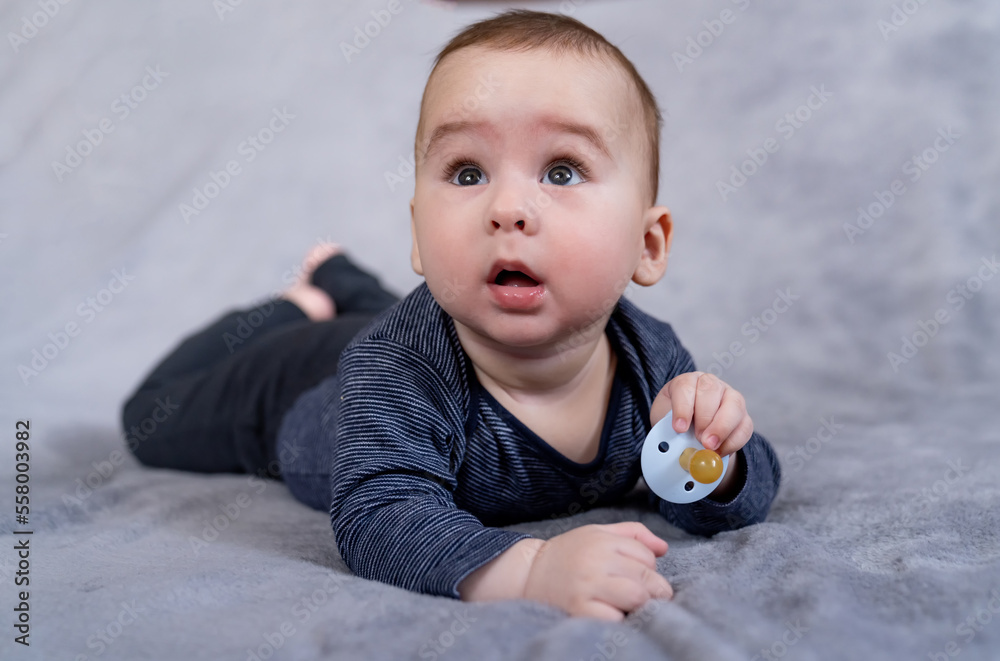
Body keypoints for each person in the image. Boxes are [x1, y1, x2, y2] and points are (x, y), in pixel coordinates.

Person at [121, 9, 781, 622]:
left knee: (388, 317)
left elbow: (729, 492)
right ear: (418, 236)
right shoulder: (396, 370)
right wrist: (531, 569)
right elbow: (379, 514)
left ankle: (340, 276)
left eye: (561, 169)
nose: (508, 207)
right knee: (148, 419)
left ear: (648, 244)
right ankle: (292, 304)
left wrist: (722, 458)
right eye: (467, 173)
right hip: (294, 387)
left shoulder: (649, 358)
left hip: (403, 327)